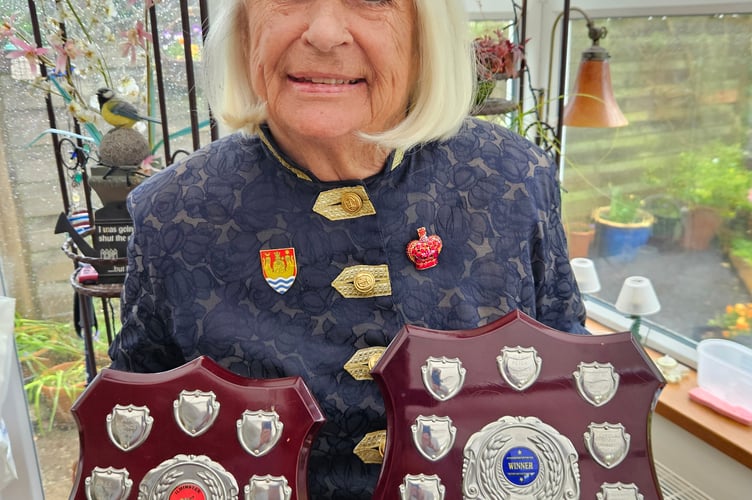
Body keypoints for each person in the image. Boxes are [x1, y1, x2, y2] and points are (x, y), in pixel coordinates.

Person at [108, 0, 588, 498]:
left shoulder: (515, 179)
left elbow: (569, 392)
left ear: (426, 33)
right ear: (246, 25)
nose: (324, 32)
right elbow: (134, 434)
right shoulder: (173, 212)